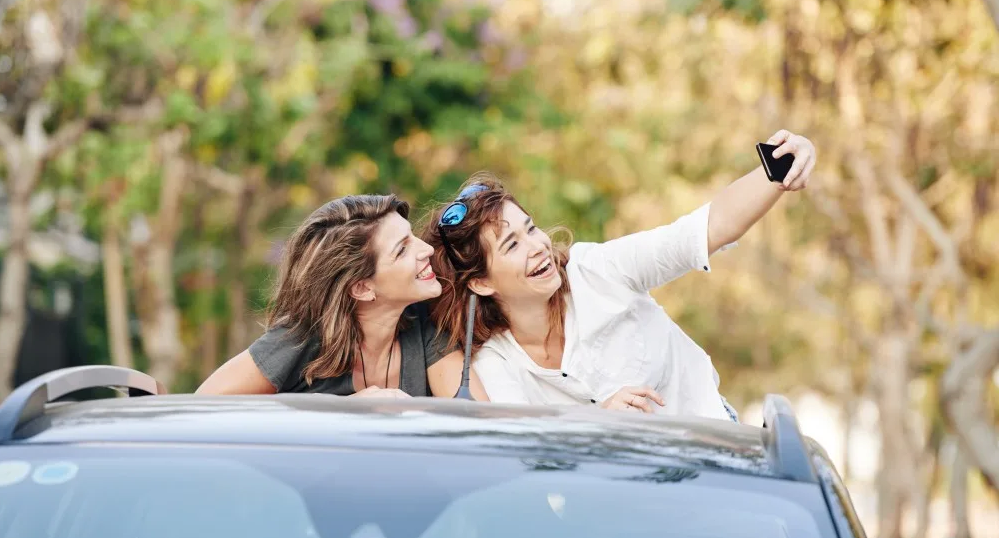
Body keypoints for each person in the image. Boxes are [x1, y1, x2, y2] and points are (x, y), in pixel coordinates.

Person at [422, 130, 816, 419]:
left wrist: (777, 170)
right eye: (511, 245)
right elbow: (532, 456)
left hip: (710, 452)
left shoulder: (596, 270)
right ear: (481, 282)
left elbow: (700, 232)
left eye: (530, 227)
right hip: (625, 504)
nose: (537, 245)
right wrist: (599, 423)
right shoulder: (496, 363)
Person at [197, 194, 486, 399]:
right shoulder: (301, 338)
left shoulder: (422, 322)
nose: (426, 249)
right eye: (402, 249)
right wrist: (344, 412)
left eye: (412, 236)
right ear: (362, 287)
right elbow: (204, 404)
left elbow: (473, 422)